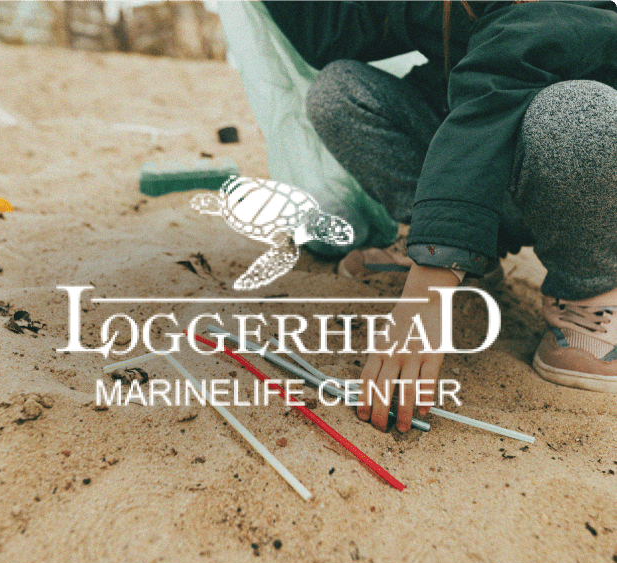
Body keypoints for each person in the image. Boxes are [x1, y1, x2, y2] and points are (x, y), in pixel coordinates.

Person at [261, 0, 617, 432]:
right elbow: (338, 33)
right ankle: (471, 254)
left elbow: (500, 82)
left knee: (577, 114)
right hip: (485, 159)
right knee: (341, 90)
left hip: (580, 179)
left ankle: (589, 290)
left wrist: (431, 282)